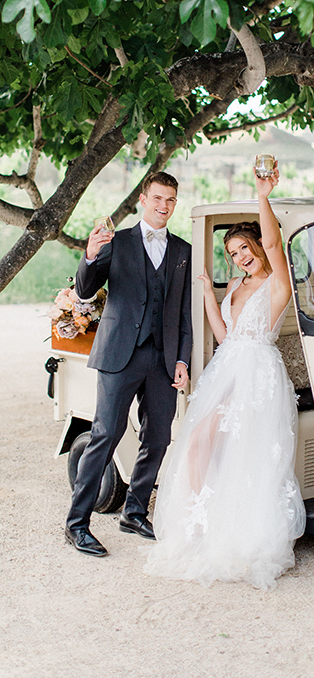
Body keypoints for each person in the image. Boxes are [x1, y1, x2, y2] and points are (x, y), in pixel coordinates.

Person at [143, 165, 306, 590]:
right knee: (199, 442)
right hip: (228, 364)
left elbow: (274, 241)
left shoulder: (277, 283)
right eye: (233, 252)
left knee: (243, 452)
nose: (240, 256)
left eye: (245, 247)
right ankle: (202, 519)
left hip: (255, 373)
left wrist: (262, 195)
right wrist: (207, 294)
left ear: (258, 245)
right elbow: (223, 334)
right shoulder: (236, 283)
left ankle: (237, 530)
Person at [65, 171, 192, 557]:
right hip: (120, 353)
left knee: (157, 438)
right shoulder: (117, 242)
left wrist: (182, 359)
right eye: (157, 198)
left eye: (170, 200)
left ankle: (134, 512)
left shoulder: (183, 250)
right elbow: (85, 290)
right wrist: (89, 254)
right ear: (143, 199)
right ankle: (76, 524)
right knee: (106, 434)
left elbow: (183, 313)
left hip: (163, 358)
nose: (163, 206)